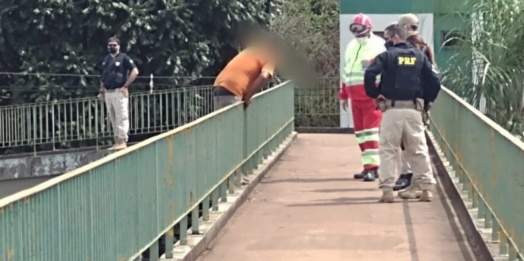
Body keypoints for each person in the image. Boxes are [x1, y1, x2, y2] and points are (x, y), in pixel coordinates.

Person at [363, 25, 441, 203]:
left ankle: (388, 191)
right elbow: (435, 81)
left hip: (392, 110)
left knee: (388, 150)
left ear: (395, 37)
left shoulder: (387, 56)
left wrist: (375, 94)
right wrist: (426, 101)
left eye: (388, 38)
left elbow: (370, 74)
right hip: (414, 110)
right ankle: (427, 190)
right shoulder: (420, 57)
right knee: (418, 149)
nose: (386, 42)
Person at [340, 13, 386, 182]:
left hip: (371, 97)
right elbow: (346, 73)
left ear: (368, 29)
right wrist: (343, 95)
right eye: (353, 28)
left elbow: (385, 70)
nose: (356, 32)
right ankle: (368, 165)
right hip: (354, 98)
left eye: (359, 28)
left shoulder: (379, 45)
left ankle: (372, 168)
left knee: (371, 133)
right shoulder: (351, 46)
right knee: (360, 134)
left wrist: (381, 92)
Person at [212, 34, 276, 111]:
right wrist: (247, 98)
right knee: (233, 122)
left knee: (222, 121)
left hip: (218, 86)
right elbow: (264, 77)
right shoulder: (270, 57)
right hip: (233, 89)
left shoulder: (251, 50)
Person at [98, 37, 139, 150]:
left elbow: (135, 71)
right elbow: (102, 77)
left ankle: (122, 141)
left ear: (119, 46)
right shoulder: (106, 59)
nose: (111, 47)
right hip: (108, 92)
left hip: (119, 91)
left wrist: (125, 86)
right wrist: (101, 91)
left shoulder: (124, 58)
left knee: (121, 116)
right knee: (113, 117)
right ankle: (116, 141)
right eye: (110, 45)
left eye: (114, 45)